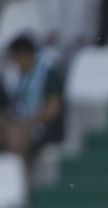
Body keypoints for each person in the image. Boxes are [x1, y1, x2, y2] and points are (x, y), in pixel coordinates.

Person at [0, 35, 66, 168]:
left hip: (42, 126)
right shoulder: (14, 77)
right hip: (16, 124)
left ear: (25, 55)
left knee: (16, 138)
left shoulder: (48, 73)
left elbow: (53, 108)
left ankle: (19, 182)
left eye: (16, 58)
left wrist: (28, 122)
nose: (15, 62)